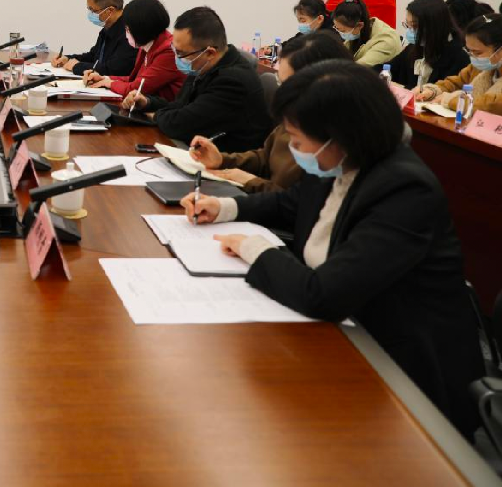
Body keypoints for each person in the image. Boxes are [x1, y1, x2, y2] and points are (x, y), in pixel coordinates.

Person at [183, 60, 483, 437]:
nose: (293, 149)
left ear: (339, 136)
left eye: (297, 139)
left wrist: (256, 249)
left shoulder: (406, 189)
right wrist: (226, 207)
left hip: (400, 373)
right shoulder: (342, 162)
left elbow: (323, 295)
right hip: (341, 332)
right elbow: (292, 203)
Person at [188, 33, 352, 192]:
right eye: (280, 82)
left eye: (289, 84)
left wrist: (253, 183)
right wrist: (223, 160)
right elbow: (266, 157)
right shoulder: (294, 114)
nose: (283, 92)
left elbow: (298, 202)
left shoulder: (335, 143)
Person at [126, 6, 272, 153]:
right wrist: (148, 103)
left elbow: (181, 124)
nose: (177, 57)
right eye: (174, 49)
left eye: (180, 52)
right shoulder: (202, 64)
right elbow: (180, 106)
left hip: (226, 161)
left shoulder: (233, 82)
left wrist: (154, 115)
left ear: (209, 53)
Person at [83, 0, 183, 101]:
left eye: (127, 28)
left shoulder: (168, 51)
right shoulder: (147, 43)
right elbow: (134, 79)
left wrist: (109, 84)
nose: (126, 32)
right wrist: (104, 78)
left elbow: (135, 89)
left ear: (140, 29)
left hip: (164, 108)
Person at [415, 13, 502, 115]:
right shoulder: (478, 68)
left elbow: (490, 106)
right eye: (469, 51)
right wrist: (432, 91)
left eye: (478, 52)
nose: (473, 57)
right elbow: (455, 82)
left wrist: (450, 100)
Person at [51, 0, 136, 76]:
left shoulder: (129, 34)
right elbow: (94, 57)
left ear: (109, 11)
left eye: (93, 10)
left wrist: (77, 66)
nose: (90, 14)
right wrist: (67, 58)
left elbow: (113, 70)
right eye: (89, 9)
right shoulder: (107, 28)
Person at [390, 0, 468, 89]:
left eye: (415, 26)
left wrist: (401, 88)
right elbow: (385, 68)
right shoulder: (413, 48)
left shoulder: (458, 58)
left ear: (434, 26)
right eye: (407, 24)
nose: (410, 30)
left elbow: (437, 92)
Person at [331, 0, 401, 67]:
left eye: (343, 30)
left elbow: (361, 67)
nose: (340, 33)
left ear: (359, 25)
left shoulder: (386, 40)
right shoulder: (360, 31)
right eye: (337, 28)